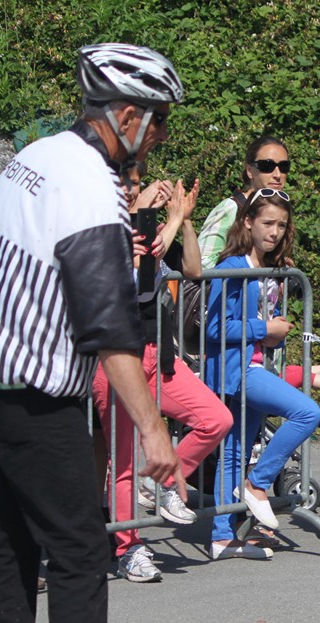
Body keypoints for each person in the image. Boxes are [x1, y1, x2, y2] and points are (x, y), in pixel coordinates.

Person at [0, 43, 182, 623]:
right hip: (30, 391)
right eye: (159, 120)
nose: (163, 134)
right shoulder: (91, 187)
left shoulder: (38, 154)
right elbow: (109, 329)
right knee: (82, 549)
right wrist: (152, 430)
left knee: (6, 542)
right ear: (126, 115)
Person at [92, 174, 234, 583]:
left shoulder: (146, 225)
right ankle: (128, 549)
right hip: (116, 359)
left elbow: (192, 268)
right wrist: (159, 219)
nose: (132, 190)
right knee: (121, 463)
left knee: (216, 418)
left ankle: (164, 483)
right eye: (123, 184)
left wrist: (185, 221)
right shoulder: (103, 228)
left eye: (135, 183)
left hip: (156, 355)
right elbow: (136, 280)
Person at [204, 188, 320, 560]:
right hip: (237, 371)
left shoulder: (271, 269)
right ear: (248, 222)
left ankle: (222, 537)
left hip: (254, 366)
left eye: (281, 225)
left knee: (234, 452)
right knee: (307, 412)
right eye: (267, 223)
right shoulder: (230, 268)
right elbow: (215, 329)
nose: (274, 231)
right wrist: (264, 330)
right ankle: (257, 484)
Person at [197, 134, 289, 269]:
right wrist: (244, 273)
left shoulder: (281, 211)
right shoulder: (230, 208)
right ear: (250, 171)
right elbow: (202, 263)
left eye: (284, 166)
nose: (277, 174)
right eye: (267, 166)